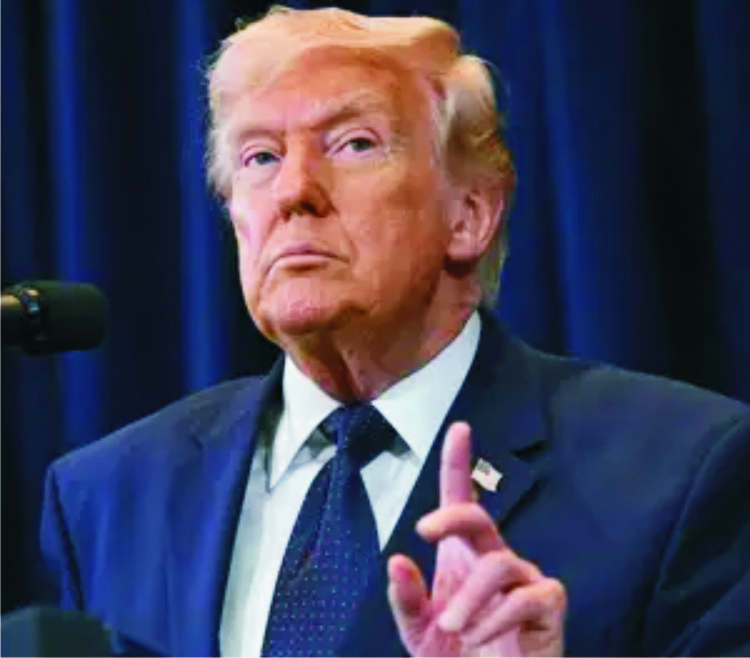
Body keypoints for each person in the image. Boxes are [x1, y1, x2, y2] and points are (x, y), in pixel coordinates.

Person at [40, 5, 750, 657]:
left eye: (354, 144)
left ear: (469, 214)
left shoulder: (679, 472)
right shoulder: (108, 498)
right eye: (260, 157)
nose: (294, 190)